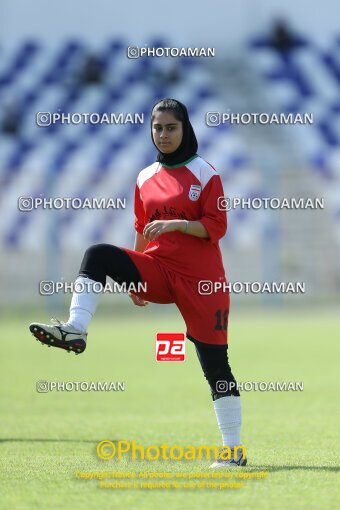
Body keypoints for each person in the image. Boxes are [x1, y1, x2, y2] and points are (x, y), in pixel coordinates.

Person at [29, 98, 246, 468]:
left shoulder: (205, 173)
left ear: (185, 128)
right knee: (98, 254)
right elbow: (141, 229)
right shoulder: (145, 177)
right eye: (157, 128)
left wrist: (177, 225)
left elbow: (217, 226)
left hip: (202, 282)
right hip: (159, 272)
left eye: (171, 127)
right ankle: (76, 329)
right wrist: (134, 277)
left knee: (215, 365)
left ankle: (233, 450)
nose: (163, 134)